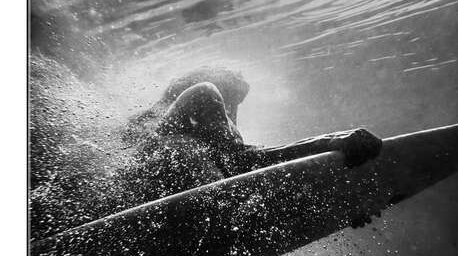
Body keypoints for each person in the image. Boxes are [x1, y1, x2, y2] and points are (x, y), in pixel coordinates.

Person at [118, 67, 382, 206]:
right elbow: (244, 163)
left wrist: (341, 201)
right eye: (232, 100)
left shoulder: (204, 142)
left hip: (147, 193)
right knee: (209, 106)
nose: (232, 113)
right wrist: (330, 142)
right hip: (135, 189)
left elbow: (248, 173)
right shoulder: (202, 94)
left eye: (236, 104)